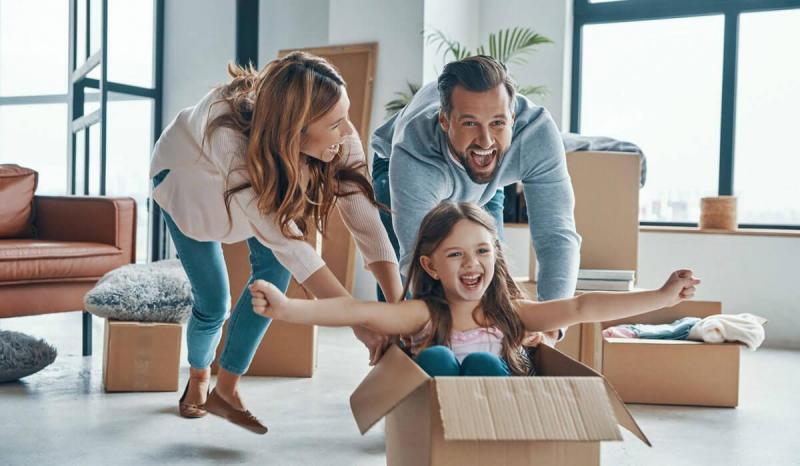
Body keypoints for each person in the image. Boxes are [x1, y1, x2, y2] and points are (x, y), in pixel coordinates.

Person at [149, 52, 403, 434]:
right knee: (213, 303)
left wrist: (396, 310)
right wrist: (360, 322)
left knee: (274, 279)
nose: (349, 132)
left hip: (255, 195)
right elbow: (294, 247)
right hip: (188, 191)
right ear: (297, 131)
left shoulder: (337, 138)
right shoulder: (229, 140)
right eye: (336, 124)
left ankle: (228, 390)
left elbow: (365, 221)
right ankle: (200, 374)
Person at [249, 202, 700, 377]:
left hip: (495, 423)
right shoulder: (424, 313)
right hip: (436, 427)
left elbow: (583, 306)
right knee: (438, 357)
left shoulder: (512, 314)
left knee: (485, 359)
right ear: (430, 265)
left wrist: (661, 297)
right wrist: (288, 309)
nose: (472, 264)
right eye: (456, 255)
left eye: (483, 252)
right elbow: (356, 312)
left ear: (495, 256)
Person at [370, 55, 581, 346]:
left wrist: (550, 329)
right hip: (397, 165)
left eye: (498, 123)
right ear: (445, 121)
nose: (485, 140)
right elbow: (417, 258)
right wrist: (440, 332)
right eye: (470, 123)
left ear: (513, 118)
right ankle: (396, 353)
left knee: (491, 269)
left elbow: (557, 235)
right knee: (404, 292)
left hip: (486, 179)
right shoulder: (414, 151)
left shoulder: (537, 136)